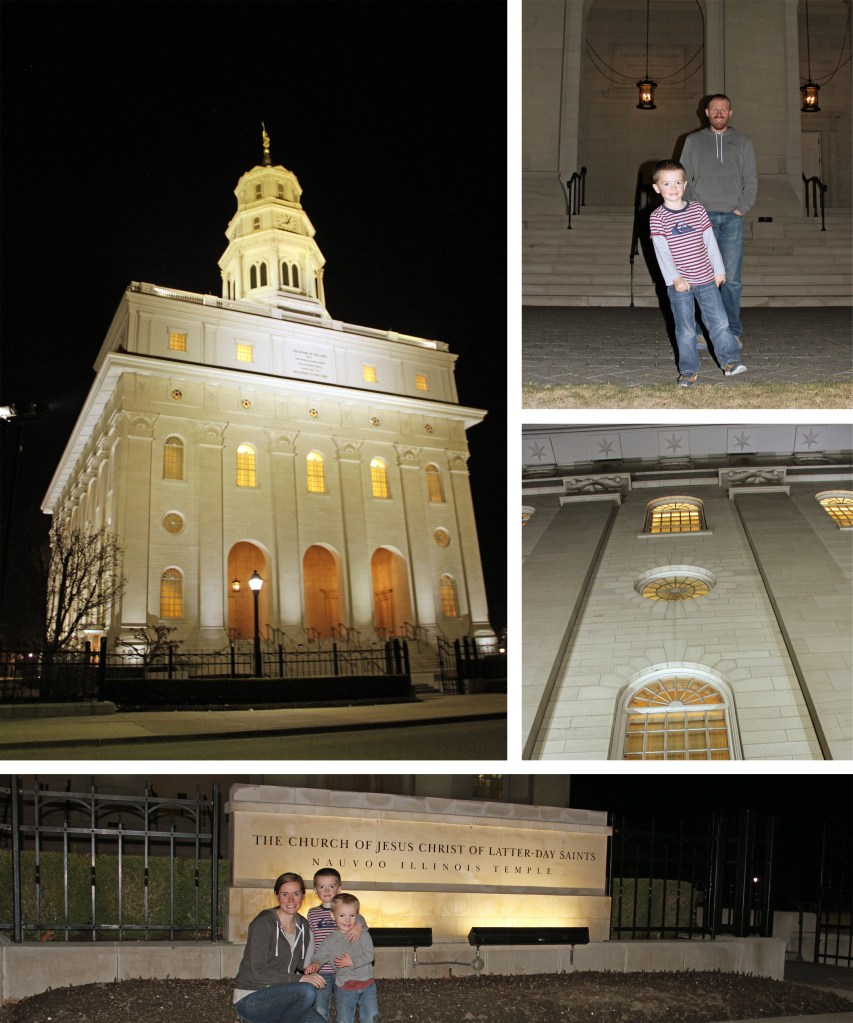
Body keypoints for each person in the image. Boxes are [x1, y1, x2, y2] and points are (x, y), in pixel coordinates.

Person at [649, 160, 747, 387]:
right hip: (680, 283)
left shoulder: (697, 210)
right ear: (657, 188)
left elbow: (710, 241)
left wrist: (719, 269)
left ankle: (730, 361)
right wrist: (675, 279)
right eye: (666, 183)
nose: (673, 188)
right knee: (684, 329)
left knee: (719, 322)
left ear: (685, 185)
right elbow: (662, 252)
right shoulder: (658, 217)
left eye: (677, 182)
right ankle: (688, 370)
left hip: (706, 279)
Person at [680, 94, 757, 348]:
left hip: (732, 219)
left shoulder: (743, 142)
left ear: (730, 113)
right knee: (703, 278)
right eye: (715, 109)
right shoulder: (692, 141)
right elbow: (684, 179)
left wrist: (742, 208)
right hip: (702, 218)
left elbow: (751, 179)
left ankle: (732, 331)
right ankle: (705, 332)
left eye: (724, 110)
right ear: (706, 112)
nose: (719, 113)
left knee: (732, 279)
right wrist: (692, 211)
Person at [233, 872, 327, 1023]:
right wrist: (301, 978)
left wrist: (314, 963)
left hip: (282, 995)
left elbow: (300, 965)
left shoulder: (303, 925)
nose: (291, 900)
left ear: (303, 895)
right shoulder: (263, 924)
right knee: (307, 991)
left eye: (296, 894)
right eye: (285, 894)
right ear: (277, 895)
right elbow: (259, 972)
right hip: (252, 997)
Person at [306, 893, 379, 1023]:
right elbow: (320, 955)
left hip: (367, 984)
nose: (347, 920)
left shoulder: (362, 934)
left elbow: (370, 955)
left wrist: (353, 961)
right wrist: (316, 963)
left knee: (372, 1017)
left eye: (352, 915)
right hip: (344, 986)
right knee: (344, 1019)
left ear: (357, 916)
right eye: (342, 915)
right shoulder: (330, 940)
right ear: (333, 916)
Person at [307, 869, 367, 1020]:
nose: (326, 890)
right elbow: (310, 939)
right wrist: (311, 963)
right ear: (315, 890)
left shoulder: (349, 912)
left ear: (339, 888)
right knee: (320, 1006)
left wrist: (359, 925)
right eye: (321, 887)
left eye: (331, 886)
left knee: (346, 1006)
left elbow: (360, 920)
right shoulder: (312, 913)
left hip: (344, 968)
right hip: (322, 970)